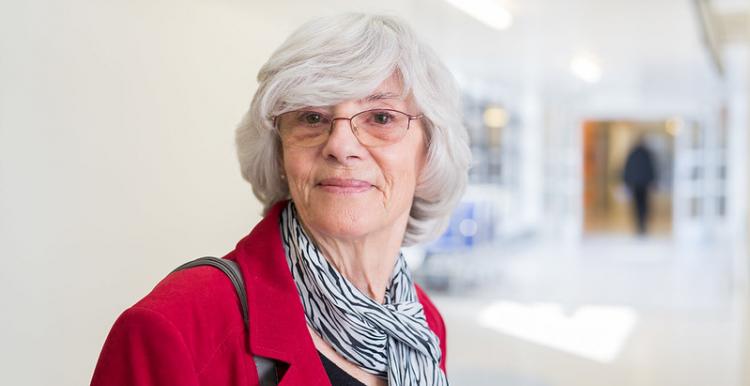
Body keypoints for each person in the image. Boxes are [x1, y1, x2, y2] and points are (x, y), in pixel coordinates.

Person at [91, 13, 471, 386]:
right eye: (311, 118)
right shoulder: (176, 328)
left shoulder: (420, 323)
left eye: (381, 118)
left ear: (430, 152)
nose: (340, 145)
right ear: (280, 152)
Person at [622, 134, 656, 235]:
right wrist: (652, 181)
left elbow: (627, 169)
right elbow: (651, 169)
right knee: (643, 204)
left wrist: (626, 181)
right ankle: (642, 223)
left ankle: (639, 223)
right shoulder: (647, 154)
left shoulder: (633, 153)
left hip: (635, 183)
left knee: (637, 204)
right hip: (643, 183)